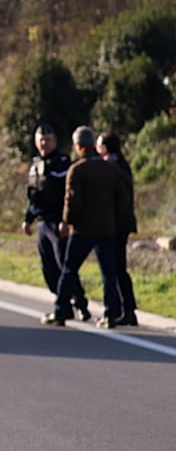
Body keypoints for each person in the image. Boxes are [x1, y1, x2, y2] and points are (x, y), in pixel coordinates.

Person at [43, 126, 133, 327]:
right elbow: (123, 199)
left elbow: (72, 201)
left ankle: (61, 310)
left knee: (69, 270)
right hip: (107, 229)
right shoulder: (111, 169)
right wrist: (112, 217)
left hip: (83, 229)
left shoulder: (78, 169)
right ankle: (110, 314)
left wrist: (68, 222)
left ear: (79, 146)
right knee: (108, 274)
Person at [21, 124, 89, 320]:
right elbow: (33, 196)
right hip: (43, 223)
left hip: (58, 222)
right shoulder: (35, 165)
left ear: (55, 141)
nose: (44, 143)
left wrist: (66, 221)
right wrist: (28, 218)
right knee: (48, 267)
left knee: (65, 266)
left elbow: (68, 195)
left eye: (48, 139)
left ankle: (80, 303)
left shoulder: (62, 163)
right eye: (41, 139)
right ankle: (63, 303)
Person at [97, 131, 138, 326]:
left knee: (114, 267)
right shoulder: (122, 164)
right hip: (123, 222)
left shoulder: (111, 167)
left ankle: (121, 309)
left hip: (116, 223)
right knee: (119, 266)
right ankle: (127, 309)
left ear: (104, 147)